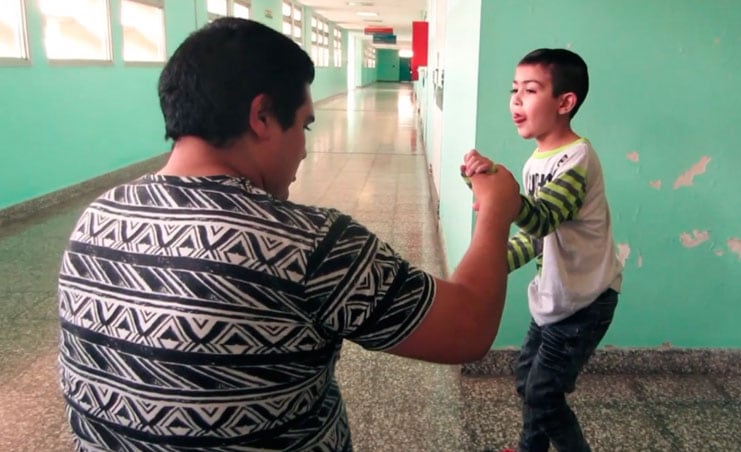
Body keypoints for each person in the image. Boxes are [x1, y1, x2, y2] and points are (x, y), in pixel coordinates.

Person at [57, 18, 522, 451]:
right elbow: (468, 329)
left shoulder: (95, 217)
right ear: (261, 116)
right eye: (304, 125)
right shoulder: (306, 244)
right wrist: (496, 210)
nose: (303, 150)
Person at [462, 48, 623, 452]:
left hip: (585, 302)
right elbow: (536, 238)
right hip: (554, 296)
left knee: (543, 395)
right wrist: (491, 265)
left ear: (565, 102)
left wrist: (502, 193)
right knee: (527, 381)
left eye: (530, 90)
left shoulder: (577, 159)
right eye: (514, 89)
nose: (516, 100)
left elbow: (542, 218)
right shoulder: (537, 161)